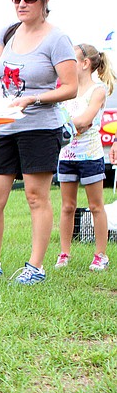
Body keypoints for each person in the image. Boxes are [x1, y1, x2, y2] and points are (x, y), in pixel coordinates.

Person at [0, 0, 77, 285]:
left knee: (36, 197)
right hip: (4, 126)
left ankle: (35, 267)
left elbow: (71, 87)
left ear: (44, 0)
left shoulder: (57, 38)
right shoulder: (6, 34)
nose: (21, 4)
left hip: (39, 127)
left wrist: (34, 98)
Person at [55, 43, 114, 272]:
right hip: (67, 155)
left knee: (95, 206)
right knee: (67, 207)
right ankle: (64, 253)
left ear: (85, 63)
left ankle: (100, 255)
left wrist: (65, 126)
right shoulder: (66, 90)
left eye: (72, 59)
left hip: (90, 156)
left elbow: (85, 120)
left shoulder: (97, 91)